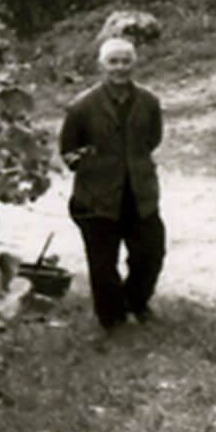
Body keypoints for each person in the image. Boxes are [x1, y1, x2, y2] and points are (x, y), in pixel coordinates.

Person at [60, 36, 166, 329]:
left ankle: (136, 301)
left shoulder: (149, 102)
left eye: (126, 61)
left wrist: (131, 163)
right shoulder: (81, 107)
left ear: (135, 64)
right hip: (96, 198)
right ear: (101, 66)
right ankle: (112, 319)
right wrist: (92, 163)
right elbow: (68, 151)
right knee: (103, 264)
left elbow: (152, 139)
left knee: (151, 253)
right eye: (113, 62)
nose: (120, 68)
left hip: (139, 194)